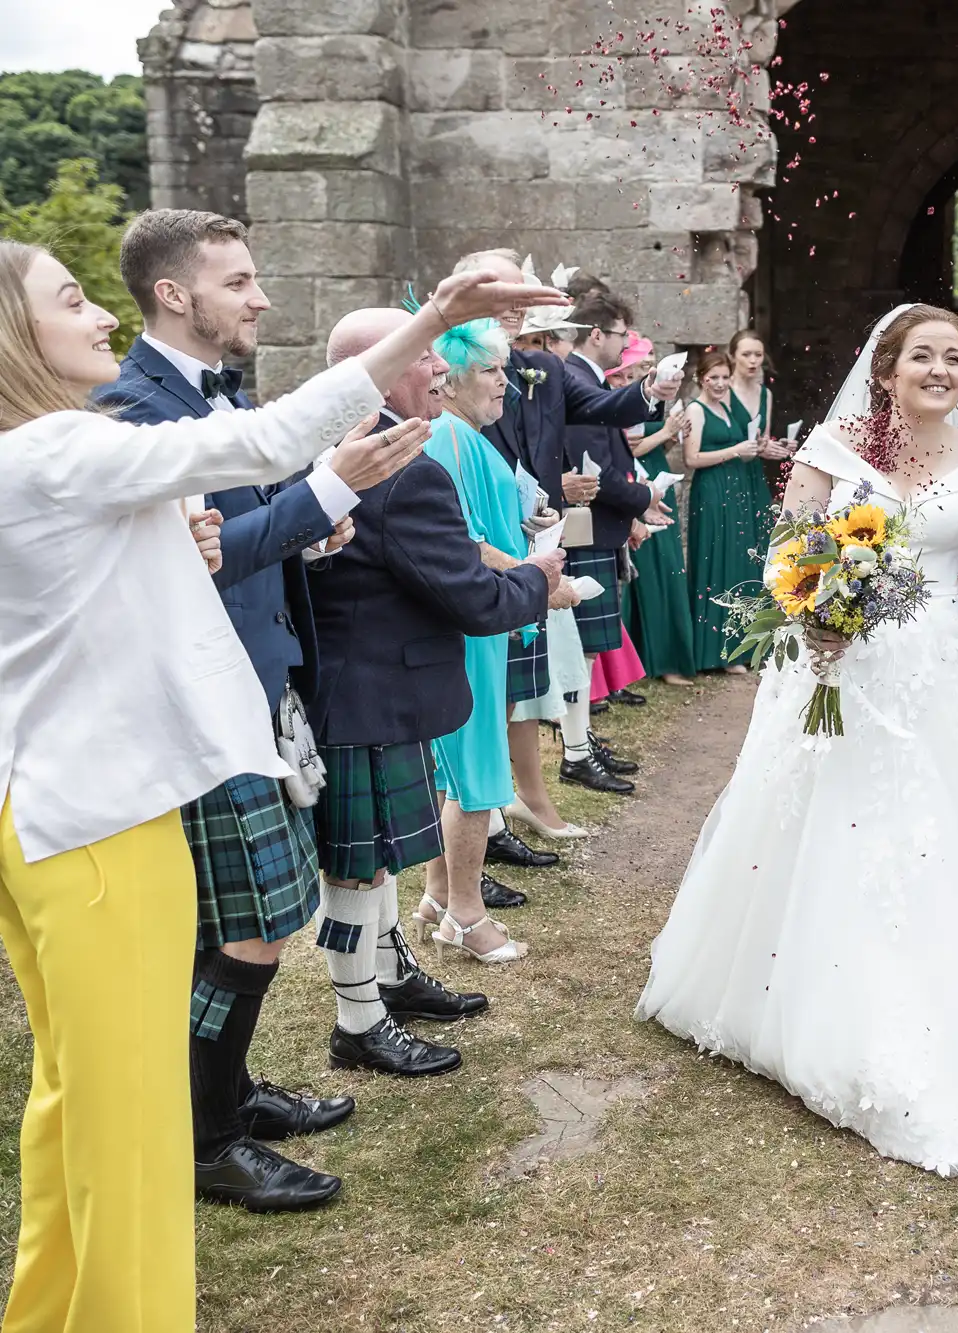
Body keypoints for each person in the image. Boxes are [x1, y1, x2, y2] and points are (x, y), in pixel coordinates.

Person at [0, 242, 557, 1333]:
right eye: (70, 300)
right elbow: (262, 439)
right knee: (127, 1125)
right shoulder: (55, 448)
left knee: (73, 1106)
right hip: (107, 825)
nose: (98, 320)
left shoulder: (26, 461)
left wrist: (186, 544)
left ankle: (49, 1311)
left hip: (50, 817)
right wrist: (435, 310)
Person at [635, 304, 958, 1176]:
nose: (940, 370)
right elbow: (785, 552)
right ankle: (802, 1001)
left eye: (954, 358)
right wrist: (810, 611)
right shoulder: (835, 447)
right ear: (886, 368)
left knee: (935, 842)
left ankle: (938, 1021)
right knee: (831, 821)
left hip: (937, 675)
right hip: (839, 668)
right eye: (923, 356)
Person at [90, 208, 404, 1213]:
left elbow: (239, 540)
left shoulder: (215, 393)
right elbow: (193, 560)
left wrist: (309, 534)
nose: (260, 297)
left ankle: (221, 1094)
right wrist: (322, 491)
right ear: (175, 295)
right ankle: (208, 1139)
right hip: (198, 698)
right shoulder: (132, 408)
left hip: (255, 682)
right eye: (238, 281)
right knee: (249, 930)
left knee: (231, 928)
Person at [308, 306, 562, 1070]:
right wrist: (534, 582)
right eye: (424, 356)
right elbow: (468, 595)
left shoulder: (342, 441)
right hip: (370, 688)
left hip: (369, 681)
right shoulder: (401, 461)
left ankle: (388, 974)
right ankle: (359, 1022)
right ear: (377, 365)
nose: (441, 371)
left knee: (379, 855)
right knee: (357, 863)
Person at [457, 250, 666, 839]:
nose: (524, 307)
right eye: (513, 295)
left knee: (520, 688)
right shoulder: (450, 370)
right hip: (484, 542)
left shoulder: (537, 370)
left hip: (534, 537)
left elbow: (599, 409)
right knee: (485, 691)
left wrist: (651, 390)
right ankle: (484, 821)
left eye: (526, 296)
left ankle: (515, 803)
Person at [411, 316, 582, 958]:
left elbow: (489, 523)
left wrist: (527, 521)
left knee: (461, 769)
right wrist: (539, 579)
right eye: (491, 370)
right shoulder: (449, 439)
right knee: (476, 770)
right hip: (469, 624)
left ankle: (434, 893)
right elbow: (462, 544)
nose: (505, 384)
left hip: (484, 621)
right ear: (450, 379)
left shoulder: (468, 438)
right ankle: (466, 912)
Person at [562, 289, 667, 739]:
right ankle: (576, 749)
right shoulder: (577, 379)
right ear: (597, 333)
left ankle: (580, 741)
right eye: (622, 335)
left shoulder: (590, 377)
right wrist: (640, 500)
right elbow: (593, 467)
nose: (627, 345)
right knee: (580, 649)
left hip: (601, 524)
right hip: (586, 526)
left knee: (586, 647)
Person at [685, 347, 774, 672]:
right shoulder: (695, 410)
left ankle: (739, 645)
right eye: (714, 378)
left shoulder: (725, 406)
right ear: (701, 379)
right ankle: (714, 652)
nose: (721, 384)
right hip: (711, 491)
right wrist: (734, 450)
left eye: (724, 378)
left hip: (736, 488)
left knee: (736, 562)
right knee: (715, 562)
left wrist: (756, 449)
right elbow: (691, 459)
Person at [617, 340, 699, 684]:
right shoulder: (623, 397)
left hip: (657, 475)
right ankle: (652, 659)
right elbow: (629, 444)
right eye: (644, 363)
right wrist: (666, 432)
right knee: (651, 568)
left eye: (653, 362)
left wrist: (673, 435)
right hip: (636, 480)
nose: (650, 368)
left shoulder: (654, 402)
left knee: (668, 567)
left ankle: (662, 657)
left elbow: (653, 441)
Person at [727, 327, 797, 495]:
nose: (753, 361)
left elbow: (762, 440)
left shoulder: (766, 394)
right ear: (732, 357)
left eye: (758, 355)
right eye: (746, 354)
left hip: (754, 474)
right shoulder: (723, 391)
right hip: (727, 473)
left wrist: (778, 446)